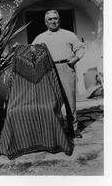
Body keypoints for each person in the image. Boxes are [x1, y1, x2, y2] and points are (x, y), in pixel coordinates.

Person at [32, 9, 86, 138]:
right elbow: (31, 51)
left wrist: (75, 59)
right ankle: (58, 130)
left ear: (59, 20)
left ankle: (73, 129)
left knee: (70, 100)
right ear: (46, 22)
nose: (53, 21)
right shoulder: (40, 37)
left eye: (55, 18)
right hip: (50, 70)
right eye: (50, 19)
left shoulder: (69, 35)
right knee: (53, 101)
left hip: (66, 68)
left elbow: (80, 49)